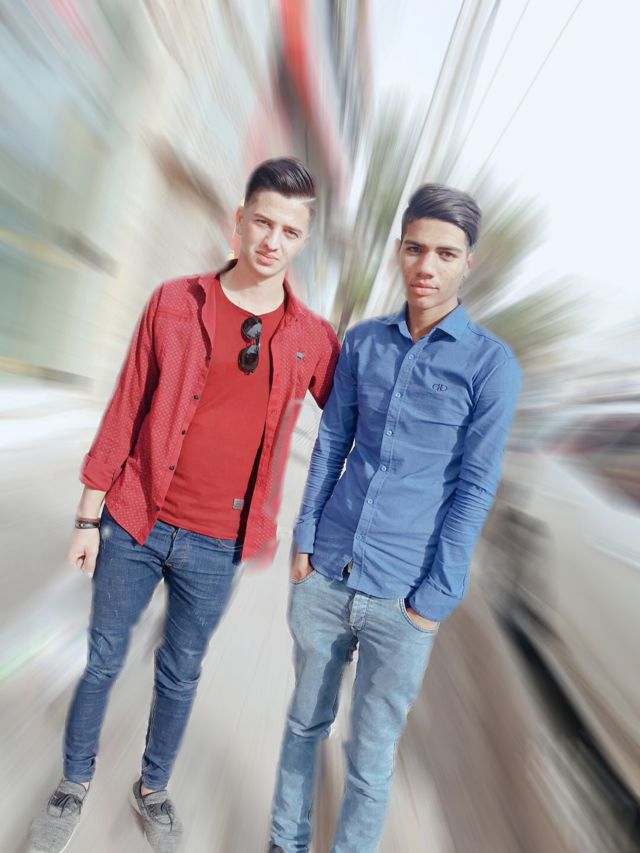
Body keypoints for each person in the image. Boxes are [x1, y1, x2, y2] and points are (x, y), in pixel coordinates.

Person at [29, 157, 340, 853]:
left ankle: (153, 788)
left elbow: (355, 418)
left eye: (290, 231)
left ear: (303, 240)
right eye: (263, 222)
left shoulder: (312, 338)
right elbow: (125, 409)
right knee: (104, 657)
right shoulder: (174, 302)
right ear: (239, 219)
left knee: (181, 671)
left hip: (220, 542)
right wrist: (87, 517)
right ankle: (73, 781)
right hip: (135, 520)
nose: (273, 241)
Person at [269, 183, 522, 853]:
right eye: (415, 248)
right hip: (326, 573)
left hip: (405, 596)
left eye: (445, 253)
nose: (426, 266)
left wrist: (434, 599)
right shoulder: (363, 343)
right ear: (399, 250)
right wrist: (304, 540)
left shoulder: (491, 366)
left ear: (468, 262)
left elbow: (475, 488)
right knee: (303, 726)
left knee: (370, 757)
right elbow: (331, 443)